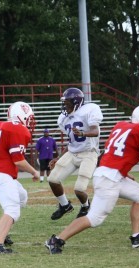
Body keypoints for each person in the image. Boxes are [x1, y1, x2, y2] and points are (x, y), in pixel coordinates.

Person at [45, 104, 139, 254]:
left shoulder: (121, 126)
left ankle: (137, 237)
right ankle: (57, 240)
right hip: (109, 179)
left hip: (110, 174)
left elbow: (113, 153)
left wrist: (123, 171)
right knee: (95, 218)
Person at [0, 101, 40, 254]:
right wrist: (34, 172)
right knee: (13, 210)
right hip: (0, 173)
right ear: (22, 116)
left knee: (22, 196)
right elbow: (19, 161)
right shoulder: (18, 129)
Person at [47, 88, 103, 220]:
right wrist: (58, 158)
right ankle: (65, 205)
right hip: (72, 153)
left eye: (67, 102)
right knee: (53, 179)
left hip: (89, 153)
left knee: (79, 189)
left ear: (76, 102)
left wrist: (83, 133)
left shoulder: (89, 110)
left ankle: (85, 206)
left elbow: (95, 132)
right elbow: (71, 141)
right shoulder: (63, 118)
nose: (64, 105)